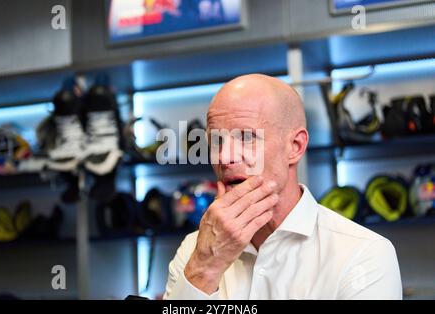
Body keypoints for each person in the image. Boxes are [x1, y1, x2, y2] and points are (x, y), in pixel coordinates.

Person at [164, 74, 402, 300]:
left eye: (247, 137)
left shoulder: (363, 254)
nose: (225, 157)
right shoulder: (195, 251)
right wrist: (205, 268)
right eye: (217, 141)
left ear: (295, 146)